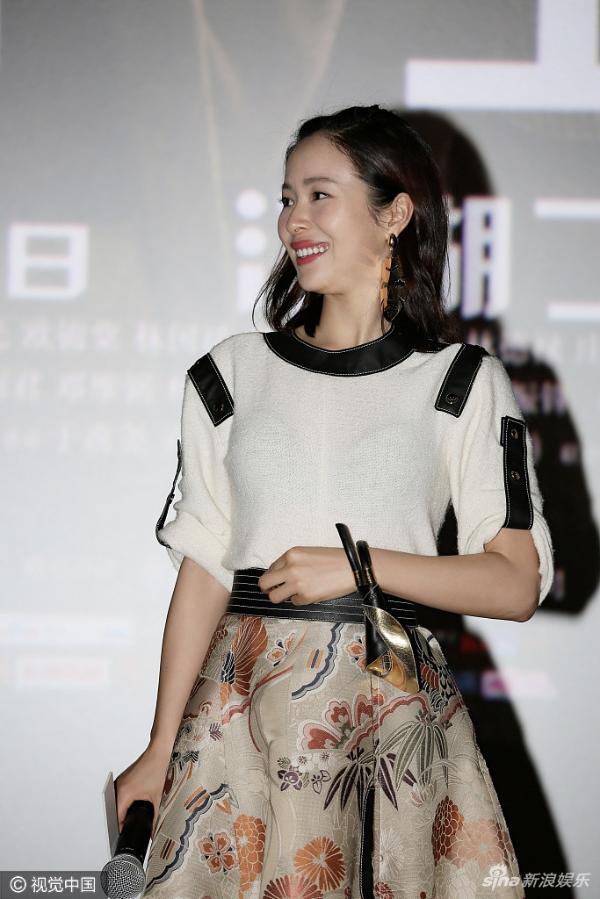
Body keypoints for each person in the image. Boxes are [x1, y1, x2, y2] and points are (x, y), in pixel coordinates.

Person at [115, 104, 554, 899]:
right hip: (241, 716)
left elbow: (515, 581)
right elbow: (205, 567)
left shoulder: (459, 381)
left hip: (389, 712)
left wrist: (359, 569)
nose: (294, 220)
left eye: (320, 195)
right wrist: (158, 746)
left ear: (395, 214)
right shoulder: (231, 374)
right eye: (288, 198)